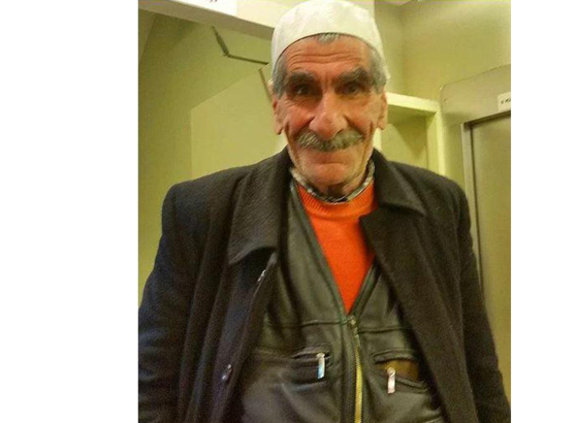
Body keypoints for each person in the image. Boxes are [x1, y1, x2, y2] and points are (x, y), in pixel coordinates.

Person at [138, 0, 510, 422]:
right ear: (277, 106)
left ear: (381, 105)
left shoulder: (439, 207)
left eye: (352, 88)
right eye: (303, 90)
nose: (328, 122)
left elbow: (479, 375)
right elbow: (149, 387)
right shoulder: (203, 214)